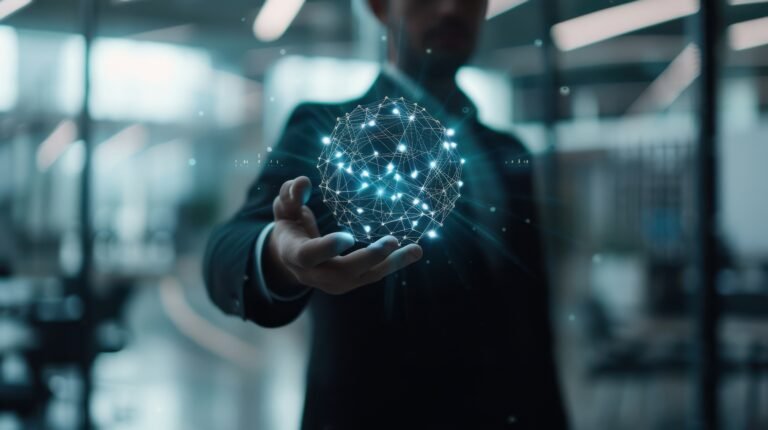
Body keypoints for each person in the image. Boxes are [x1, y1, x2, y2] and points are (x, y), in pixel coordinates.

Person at [204, 0, 568, 428]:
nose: (451, 8)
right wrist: (278, 257)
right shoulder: (325, 129)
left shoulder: (508, 154)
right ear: (379, 7)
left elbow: (532, 327)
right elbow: (227, 250)